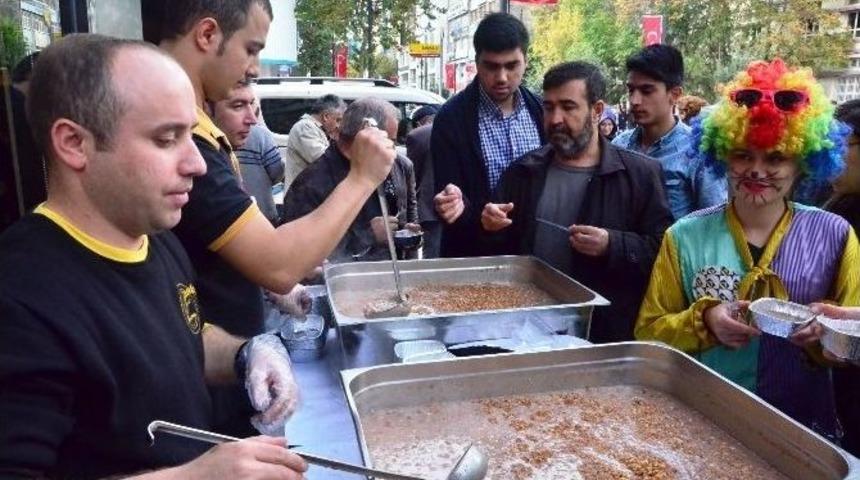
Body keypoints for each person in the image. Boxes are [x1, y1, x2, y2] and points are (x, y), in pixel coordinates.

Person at [0, 34, 306, 480]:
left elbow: (183, 336)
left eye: (191, 135)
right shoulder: (20, 299)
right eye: (166, 139)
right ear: (74, 143)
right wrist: (194, 477)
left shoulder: (155, 237)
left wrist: (245, 355)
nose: (197, 164)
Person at [635, 59, 859, 441]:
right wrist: (705, 321)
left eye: (775, 157)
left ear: (802, 162)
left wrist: (826, 336)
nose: (756, 170)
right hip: (706, 420)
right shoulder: (684, 236)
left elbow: (850, 343)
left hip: (800, 428)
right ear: (722, 154)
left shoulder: (836, 234)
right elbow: (648, 333)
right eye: (743, 155)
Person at [149, 0, 396, 339]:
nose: (253, 69)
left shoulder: (202, 133)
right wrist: (362, 178)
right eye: (250, 50)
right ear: (206, 34)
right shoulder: (195, 141)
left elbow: (237, 252)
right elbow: (278, 264)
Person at [480, 62, 673, 343]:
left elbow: (663, 253)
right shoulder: (523, 171)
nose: (555, 118)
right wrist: (489, 225)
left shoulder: (640, 175)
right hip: (523, 334)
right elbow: (497, 254)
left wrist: (612, 244)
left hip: (602, 338)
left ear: (597, 110)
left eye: (568, 107)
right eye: (549, 107)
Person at [431, 12, 544, 257]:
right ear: (477, 62)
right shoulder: (451, 119)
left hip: (533, 252)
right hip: (474, 255)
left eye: (511, 66)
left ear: (525, 61)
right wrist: (474, 215)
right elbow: (448, 195)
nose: (502, 77)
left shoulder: (541, 110)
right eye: (491, 66)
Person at [282, 98, 419, 262]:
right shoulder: (310, 185)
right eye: (389, 141)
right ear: (366, 135)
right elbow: (299, 254)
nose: (392, 149)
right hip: (345, 276)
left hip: (392, 271)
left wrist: (408, 235)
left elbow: (406, 211)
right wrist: (367, 236)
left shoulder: (399, 166)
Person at [613, 44, 726, 220]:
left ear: (675, 94)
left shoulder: (697, 151)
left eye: (646, 91)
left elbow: (714, 221)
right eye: (631, 90)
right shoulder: (619, 145)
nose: (634, 100)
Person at [211, 82, 283, 225]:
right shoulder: (206, 156)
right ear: (207, 108)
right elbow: (277, 173)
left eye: (250, 104)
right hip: (261, 215)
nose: (252, 120)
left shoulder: (223, 147)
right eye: (238, 106)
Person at [283, 93, 346, 188]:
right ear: (326, 116)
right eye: (338, 120)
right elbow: (324, 159)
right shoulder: (305, 127)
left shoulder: (319, 130)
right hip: (301, 193)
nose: (338, 126)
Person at [406, 105, 441, 257]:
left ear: (418, 122)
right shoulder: (458, 129)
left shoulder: (417, 135)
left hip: (429, 206)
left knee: (433, 256)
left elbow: (412, 173)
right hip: (459, 205)